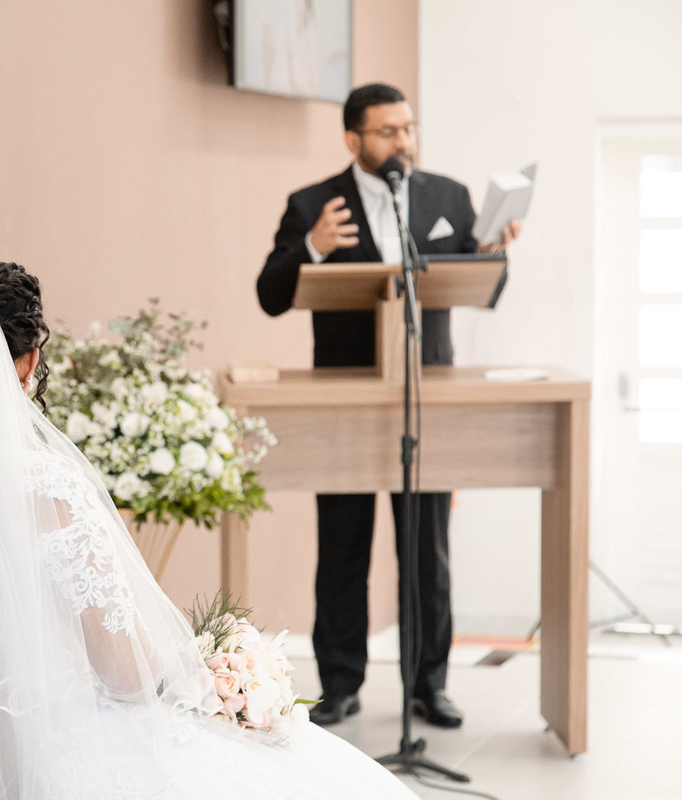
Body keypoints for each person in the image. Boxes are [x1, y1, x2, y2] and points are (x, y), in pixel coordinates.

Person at [0, 256, 418, 799]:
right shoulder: (45, 485)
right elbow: (124, 675)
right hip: (45, 742)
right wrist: (200, 672)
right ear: (26, 364)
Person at [255, 83, 521, 729]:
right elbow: (269, 292)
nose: (404, 141)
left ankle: (428, 686)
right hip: (345, 401)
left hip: (427, 398)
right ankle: (340, 685)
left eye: (408, 128)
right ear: (353, 140)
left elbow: (482, 283)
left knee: (427, 551)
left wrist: (492, 254)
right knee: (342, 545)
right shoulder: (312, 203)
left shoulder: (446, 196)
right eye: (388, 132)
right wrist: (312, 246)